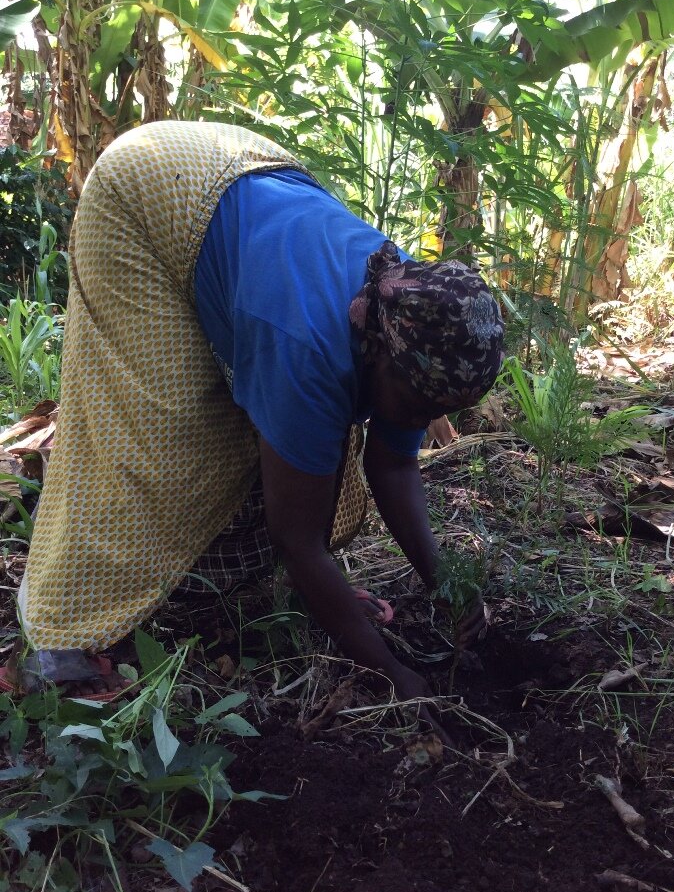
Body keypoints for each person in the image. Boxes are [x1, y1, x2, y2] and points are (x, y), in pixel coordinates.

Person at [3, 121, 504, 704]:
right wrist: (393, 674)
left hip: (244, 170)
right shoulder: (312, 344)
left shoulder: (417, 310)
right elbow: (297, 538)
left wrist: (444, 583)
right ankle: (65, 631)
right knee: (164, 443)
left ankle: (234, 587)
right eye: (419, 406)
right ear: (381, 355)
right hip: (145, 195)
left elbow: (391, 466)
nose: (421, 420)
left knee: (275, 445)